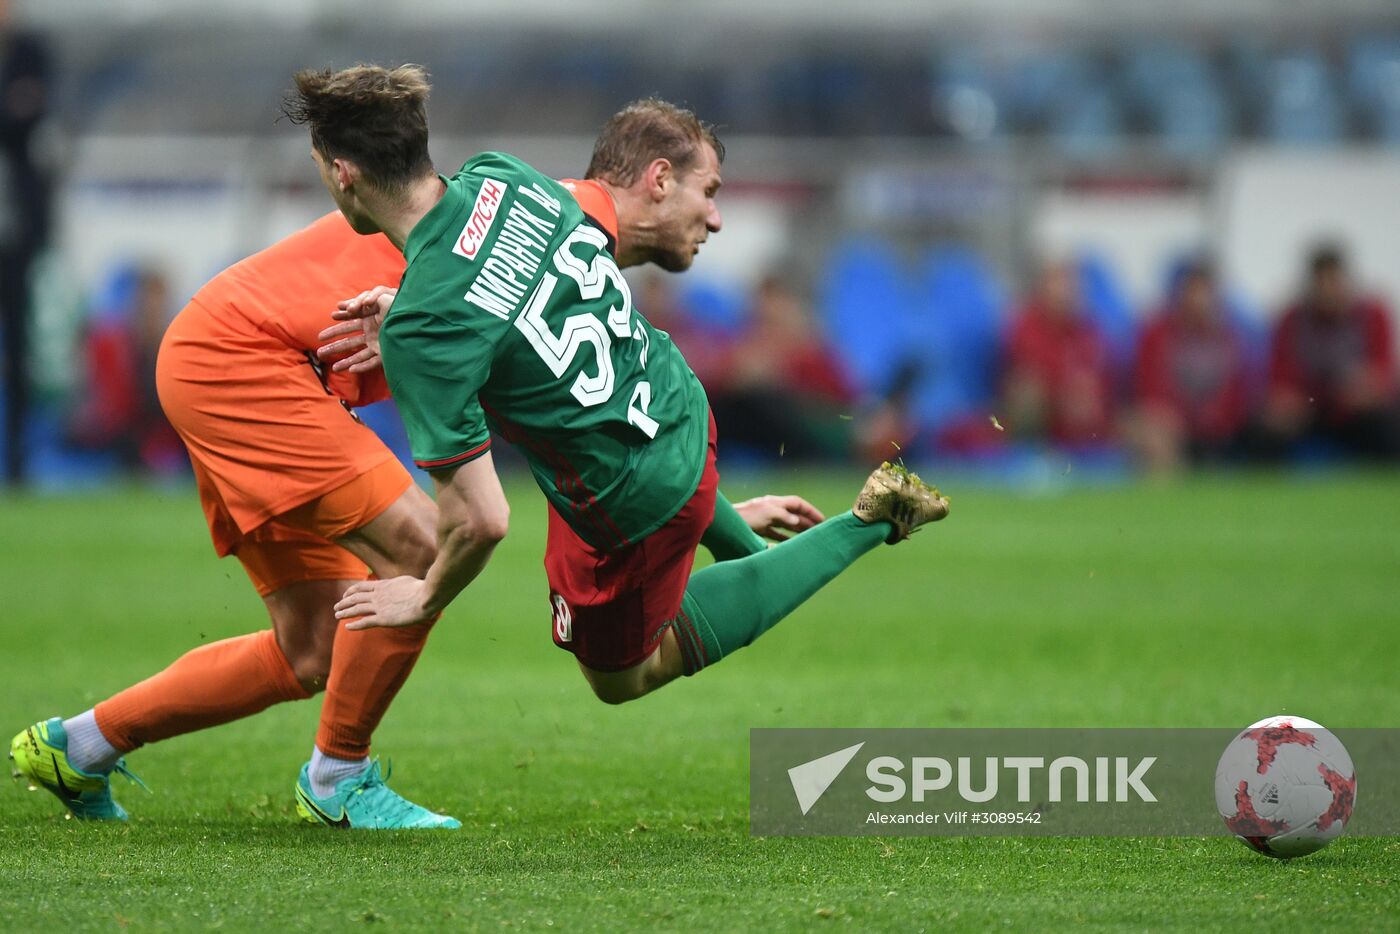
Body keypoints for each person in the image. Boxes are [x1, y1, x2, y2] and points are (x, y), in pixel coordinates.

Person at [10, 97, 821, 830]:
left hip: (243, 359)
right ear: (655, 179)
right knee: (425, 548)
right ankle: (338, 778)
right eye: (710, 192)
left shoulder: (534, 212)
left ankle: (77, 747)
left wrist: (702, 521)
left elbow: (565, 432)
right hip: (249, 364)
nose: (716, 219)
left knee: (312, 650)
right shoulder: (544, 219)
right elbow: (506, 460)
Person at [282, 63, 948, 825]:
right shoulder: (505, 177)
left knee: (624, 674)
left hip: (629, 497)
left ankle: (864, 525)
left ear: (342, 175)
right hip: (671, 402)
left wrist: (424, 592)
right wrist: (414, 310)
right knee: (661, 516)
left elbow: (483, 519)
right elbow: (517, 281)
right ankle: (723, 520)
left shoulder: (422, 329)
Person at [1253, 244, 1400, 461]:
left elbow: (1383, 373)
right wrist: (1289, 401)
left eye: (1334, 282)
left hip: (1356, 411)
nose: (1328, 291)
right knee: (1266, 431)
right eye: (1322, 283)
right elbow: (1280, 380)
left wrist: (1365, 387)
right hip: (1309, 410)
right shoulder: (1292, 320)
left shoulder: (1372, 315)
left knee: (1385, 425)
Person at [1128, 260, 1253, 472]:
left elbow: (1235, 389)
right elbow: (1151, 387)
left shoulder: (1227, 336)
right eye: (1193, 292)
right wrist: (1179, 418)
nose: (1198, 300)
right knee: (1153, 428)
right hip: (1172, 425)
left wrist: (1213, 418)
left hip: (1217, 427)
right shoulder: (1157, 333)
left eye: (1204, 292)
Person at [0, 0, 52, 486]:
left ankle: (17, 461)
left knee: (20, 348)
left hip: (15, 233)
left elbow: (31, 117)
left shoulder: (31, 49)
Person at [1003, 260, 1115, 447]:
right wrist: (1063, 390)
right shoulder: (1024, 325)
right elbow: (1028, 370)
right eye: (1057, 283)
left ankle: (1089, 455)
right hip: (1045, 406)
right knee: (1028, 393)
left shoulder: (1090, 329)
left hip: (1082, 408)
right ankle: (1027, 455)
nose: (1064, 291)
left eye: (1069, 283)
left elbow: (1101, 376)